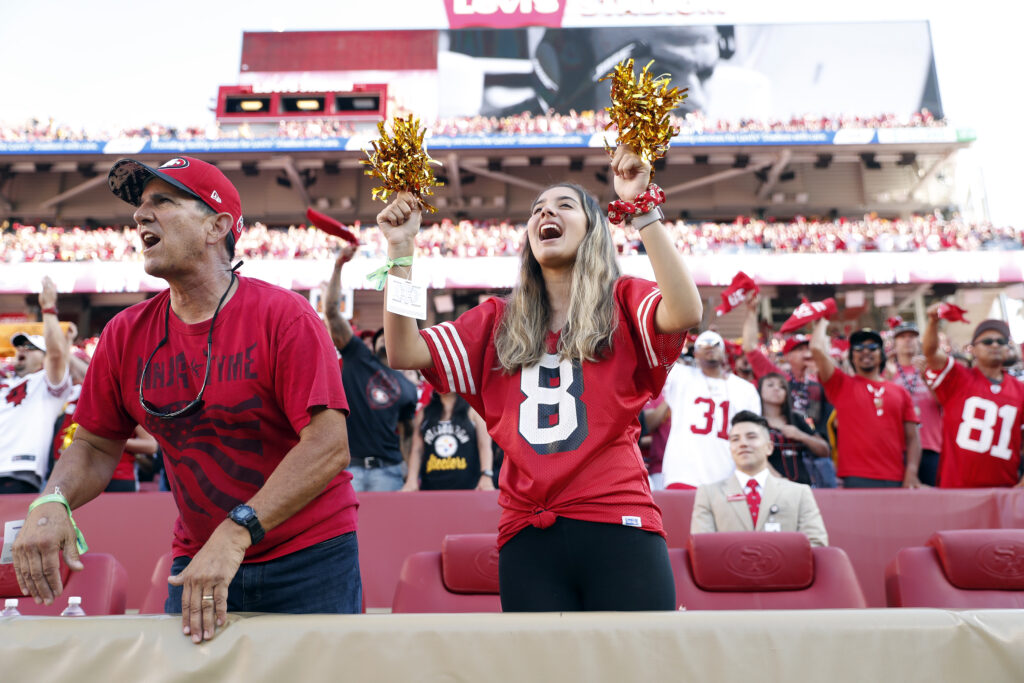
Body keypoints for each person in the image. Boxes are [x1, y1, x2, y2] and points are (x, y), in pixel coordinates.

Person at [12, 156, 359, 644]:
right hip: (199, 555)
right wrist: (52, 501)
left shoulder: (284, 316)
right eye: (140, 205)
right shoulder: (123, 334)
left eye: (163, 202)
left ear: (217, 226)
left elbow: (327, 444)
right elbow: (93, 445)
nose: (140, 215)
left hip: (308, 555)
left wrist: (236, 532)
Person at [378, 143, 703, 612]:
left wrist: (643, 209)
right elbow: (403, 349)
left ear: (593, 231)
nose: (545, 213)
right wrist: (401, 251)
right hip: (527, 535)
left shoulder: (625, 298)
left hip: (620, 522)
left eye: (564, 206)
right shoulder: (494, 319)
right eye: (537, 210)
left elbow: (686, 310)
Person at [324, 242, 417, 491]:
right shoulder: (358, 357)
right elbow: (332, 312)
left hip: (388, 471)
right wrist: (338, 266)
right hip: (349, 468)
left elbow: (408, 435)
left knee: (388, 531)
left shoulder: (408, 389)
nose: (388, 337)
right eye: (382, 334)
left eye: (392, 334)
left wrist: (410, 476)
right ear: (374, 343)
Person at [809, 320, 922, 488]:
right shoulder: (840, 384)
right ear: (851, 356)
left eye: (872, 348)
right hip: (855, 478)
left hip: (896, 477)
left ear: (881, 354)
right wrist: (824, 319)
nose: (865, 352)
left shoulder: (900, 392)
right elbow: (817, 350)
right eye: (859, 348)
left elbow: (913, 438)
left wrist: (911, 472)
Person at [691, 411, 828, 547]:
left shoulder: (799, 493)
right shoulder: (709, 494)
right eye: (735, 439)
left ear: (769, 447)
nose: (743, 443)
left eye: (751, 437)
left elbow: (816, 544)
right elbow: (702, 548)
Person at [922, 311, 1024, 488]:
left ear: (1007, 349)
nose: (994, 345)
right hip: (957, 487)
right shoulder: (958, 378)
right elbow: (930, 352)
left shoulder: (1020, 389)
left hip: (1004, 490)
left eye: (1000, 341)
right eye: (987, 341)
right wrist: (933, 321)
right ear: (973, 348)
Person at [661, 330, 762, 490]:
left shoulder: (745, 389)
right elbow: (660, 350)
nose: (710, 348)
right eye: (702, 345)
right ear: (695, 353)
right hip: (683, 473)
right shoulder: (680, 376)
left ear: (724, 352)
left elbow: (753, 435)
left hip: (727, 473)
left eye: (715, 344)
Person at [0, 276, 72, 494]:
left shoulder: (48, 385)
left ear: (44, 358)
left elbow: (58, 354)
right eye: (19, 346)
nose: (21, 350)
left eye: (30, 347)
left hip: (19, 470)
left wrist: (48, 309)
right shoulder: (5, 385)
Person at [742, 297, 831, 438]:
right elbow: (750, 347)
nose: (807, 352)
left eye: (808, 348)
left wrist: (822, 321)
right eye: (800, 349)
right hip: (785, 443)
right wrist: (752, 311)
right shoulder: (778, 378)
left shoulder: (822, 379)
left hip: (818, 447)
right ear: (788, 356)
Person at [885, 320, 943, 486]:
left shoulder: (933, 369)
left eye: (912, 336)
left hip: (932, 446)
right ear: (894, 343)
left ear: (919, 342)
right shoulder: (886, 372)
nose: (907, 340)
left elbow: (944, 402)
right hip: (899, 449)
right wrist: (887, 381)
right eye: (902, 337)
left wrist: (927, 377)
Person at [401, 391, 495, 491]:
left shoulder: (473, 411)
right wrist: (411, 479)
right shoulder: (424, 414)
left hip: (468, 488)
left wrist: (486, 476)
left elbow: (484, 446)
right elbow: (417, 450)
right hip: (431, 488)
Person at [758, 372, 833, 487]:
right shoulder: (754, 422)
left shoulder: (798, 418)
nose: (777, 389)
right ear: (759, 390)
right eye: (770, 385)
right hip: (770, 486)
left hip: (803, 486)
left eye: (782, 386)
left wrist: (800, 435)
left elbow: (824, 450)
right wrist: (778, 479)